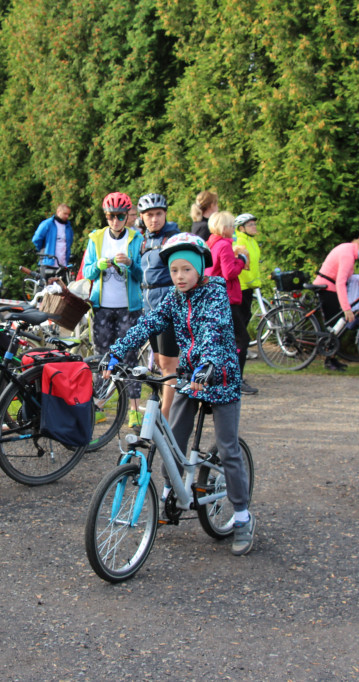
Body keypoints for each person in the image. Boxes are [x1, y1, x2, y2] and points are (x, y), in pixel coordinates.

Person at [107, 233, 255, 556]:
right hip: (191, 378)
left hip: (221, 376)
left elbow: (214, 332)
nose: (180, 277)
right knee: (173, 438)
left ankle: (242, 516)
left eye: (186, 270)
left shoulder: (215, 294)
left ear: (200, 269)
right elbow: (149, 324)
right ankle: (169, 492)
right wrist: (117, 351)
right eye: (174, 271)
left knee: (229, 449)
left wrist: (208, 365)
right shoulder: (174, 298)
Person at [83, 191, 145, 426]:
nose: (115, 221)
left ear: (128, 215)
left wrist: (129, 265)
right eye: (110, 216)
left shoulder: (136, 238)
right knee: (103, 358)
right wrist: (98, 266)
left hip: (129, 308)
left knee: (129, 358)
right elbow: (87, 272)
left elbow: (140, 276)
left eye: (120, 216)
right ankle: (97, 406)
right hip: (102, 308)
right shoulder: (96, 238)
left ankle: (134, 410)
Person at [138, 193, 181, 418]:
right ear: (142, 217)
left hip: (167, 310)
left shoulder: (173, 239)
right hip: (149, 309)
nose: (154, 219)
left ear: (165, 215)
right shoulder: (144, 239)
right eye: (149, 215)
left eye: (158, 214)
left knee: (167, 365)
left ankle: (165, 417)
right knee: (160, 365)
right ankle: (170, 408)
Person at [205, 211, 257, 395]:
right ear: (225, 228)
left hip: (215, 297)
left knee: (221, 341)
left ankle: (219, 377)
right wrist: (241, 261)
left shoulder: (211, 244)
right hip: (227, 297)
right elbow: (229, 273)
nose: (233, 230)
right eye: (231, 226)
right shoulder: (224, 245)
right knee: (241, 339)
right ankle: (236, 379)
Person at [313, 234, 359, 371]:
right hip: (327, 288)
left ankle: (332, 358)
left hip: (330, 287)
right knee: (335, 325)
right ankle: (329, 360)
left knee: (338, 326)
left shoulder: (350, 251)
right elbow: (340, 282)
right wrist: (347, 308)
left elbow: (347, 277)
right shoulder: (348, 255)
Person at [234, 213, 262, 362]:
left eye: (254, 224)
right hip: (242, 287)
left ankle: (241, 352)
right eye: (250, 225)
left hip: (250, 286)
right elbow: (240, 266)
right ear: (241, 228)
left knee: (245, 320)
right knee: (241, 327)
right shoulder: (239, 242)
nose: (254, 227)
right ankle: (239, 353)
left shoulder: (252, 241)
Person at [32, 204, 74, 268]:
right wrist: (45, 251)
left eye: (68, 214)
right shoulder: (47, 224)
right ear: (58, 211)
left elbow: (69, 243)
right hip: (48, 263)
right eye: (65, 214)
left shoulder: (68, 227)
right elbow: (36, 239)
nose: (67, 216)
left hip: (63, 265)